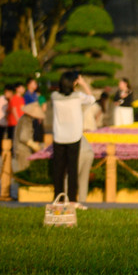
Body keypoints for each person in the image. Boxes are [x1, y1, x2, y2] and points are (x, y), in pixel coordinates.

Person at [49, 72, 96, 205]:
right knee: (72, 169)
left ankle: (58, 199)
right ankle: (72, 201)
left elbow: (61, 93)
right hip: (73, 137)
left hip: (59, 136)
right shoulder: (78, 97)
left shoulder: (54, 97)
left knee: (58, 170)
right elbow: (92, 99)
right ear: (73, 83)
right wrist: (83, 83)